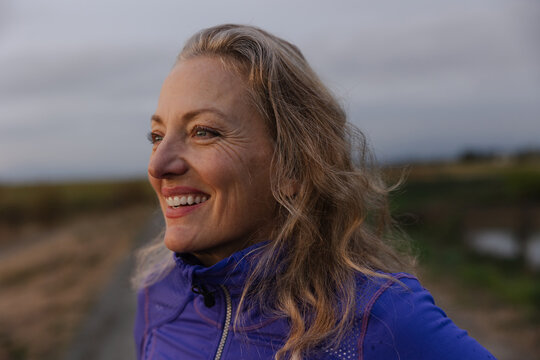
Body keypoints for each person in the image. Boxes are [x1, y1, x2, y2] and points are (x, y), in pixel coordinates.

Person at [133, 24, 495, 360]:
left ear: (293, 165)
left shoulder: (378, 319)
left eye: (204, 132)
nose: (158, 165)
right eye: (157, 136)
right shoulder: (158, 296)